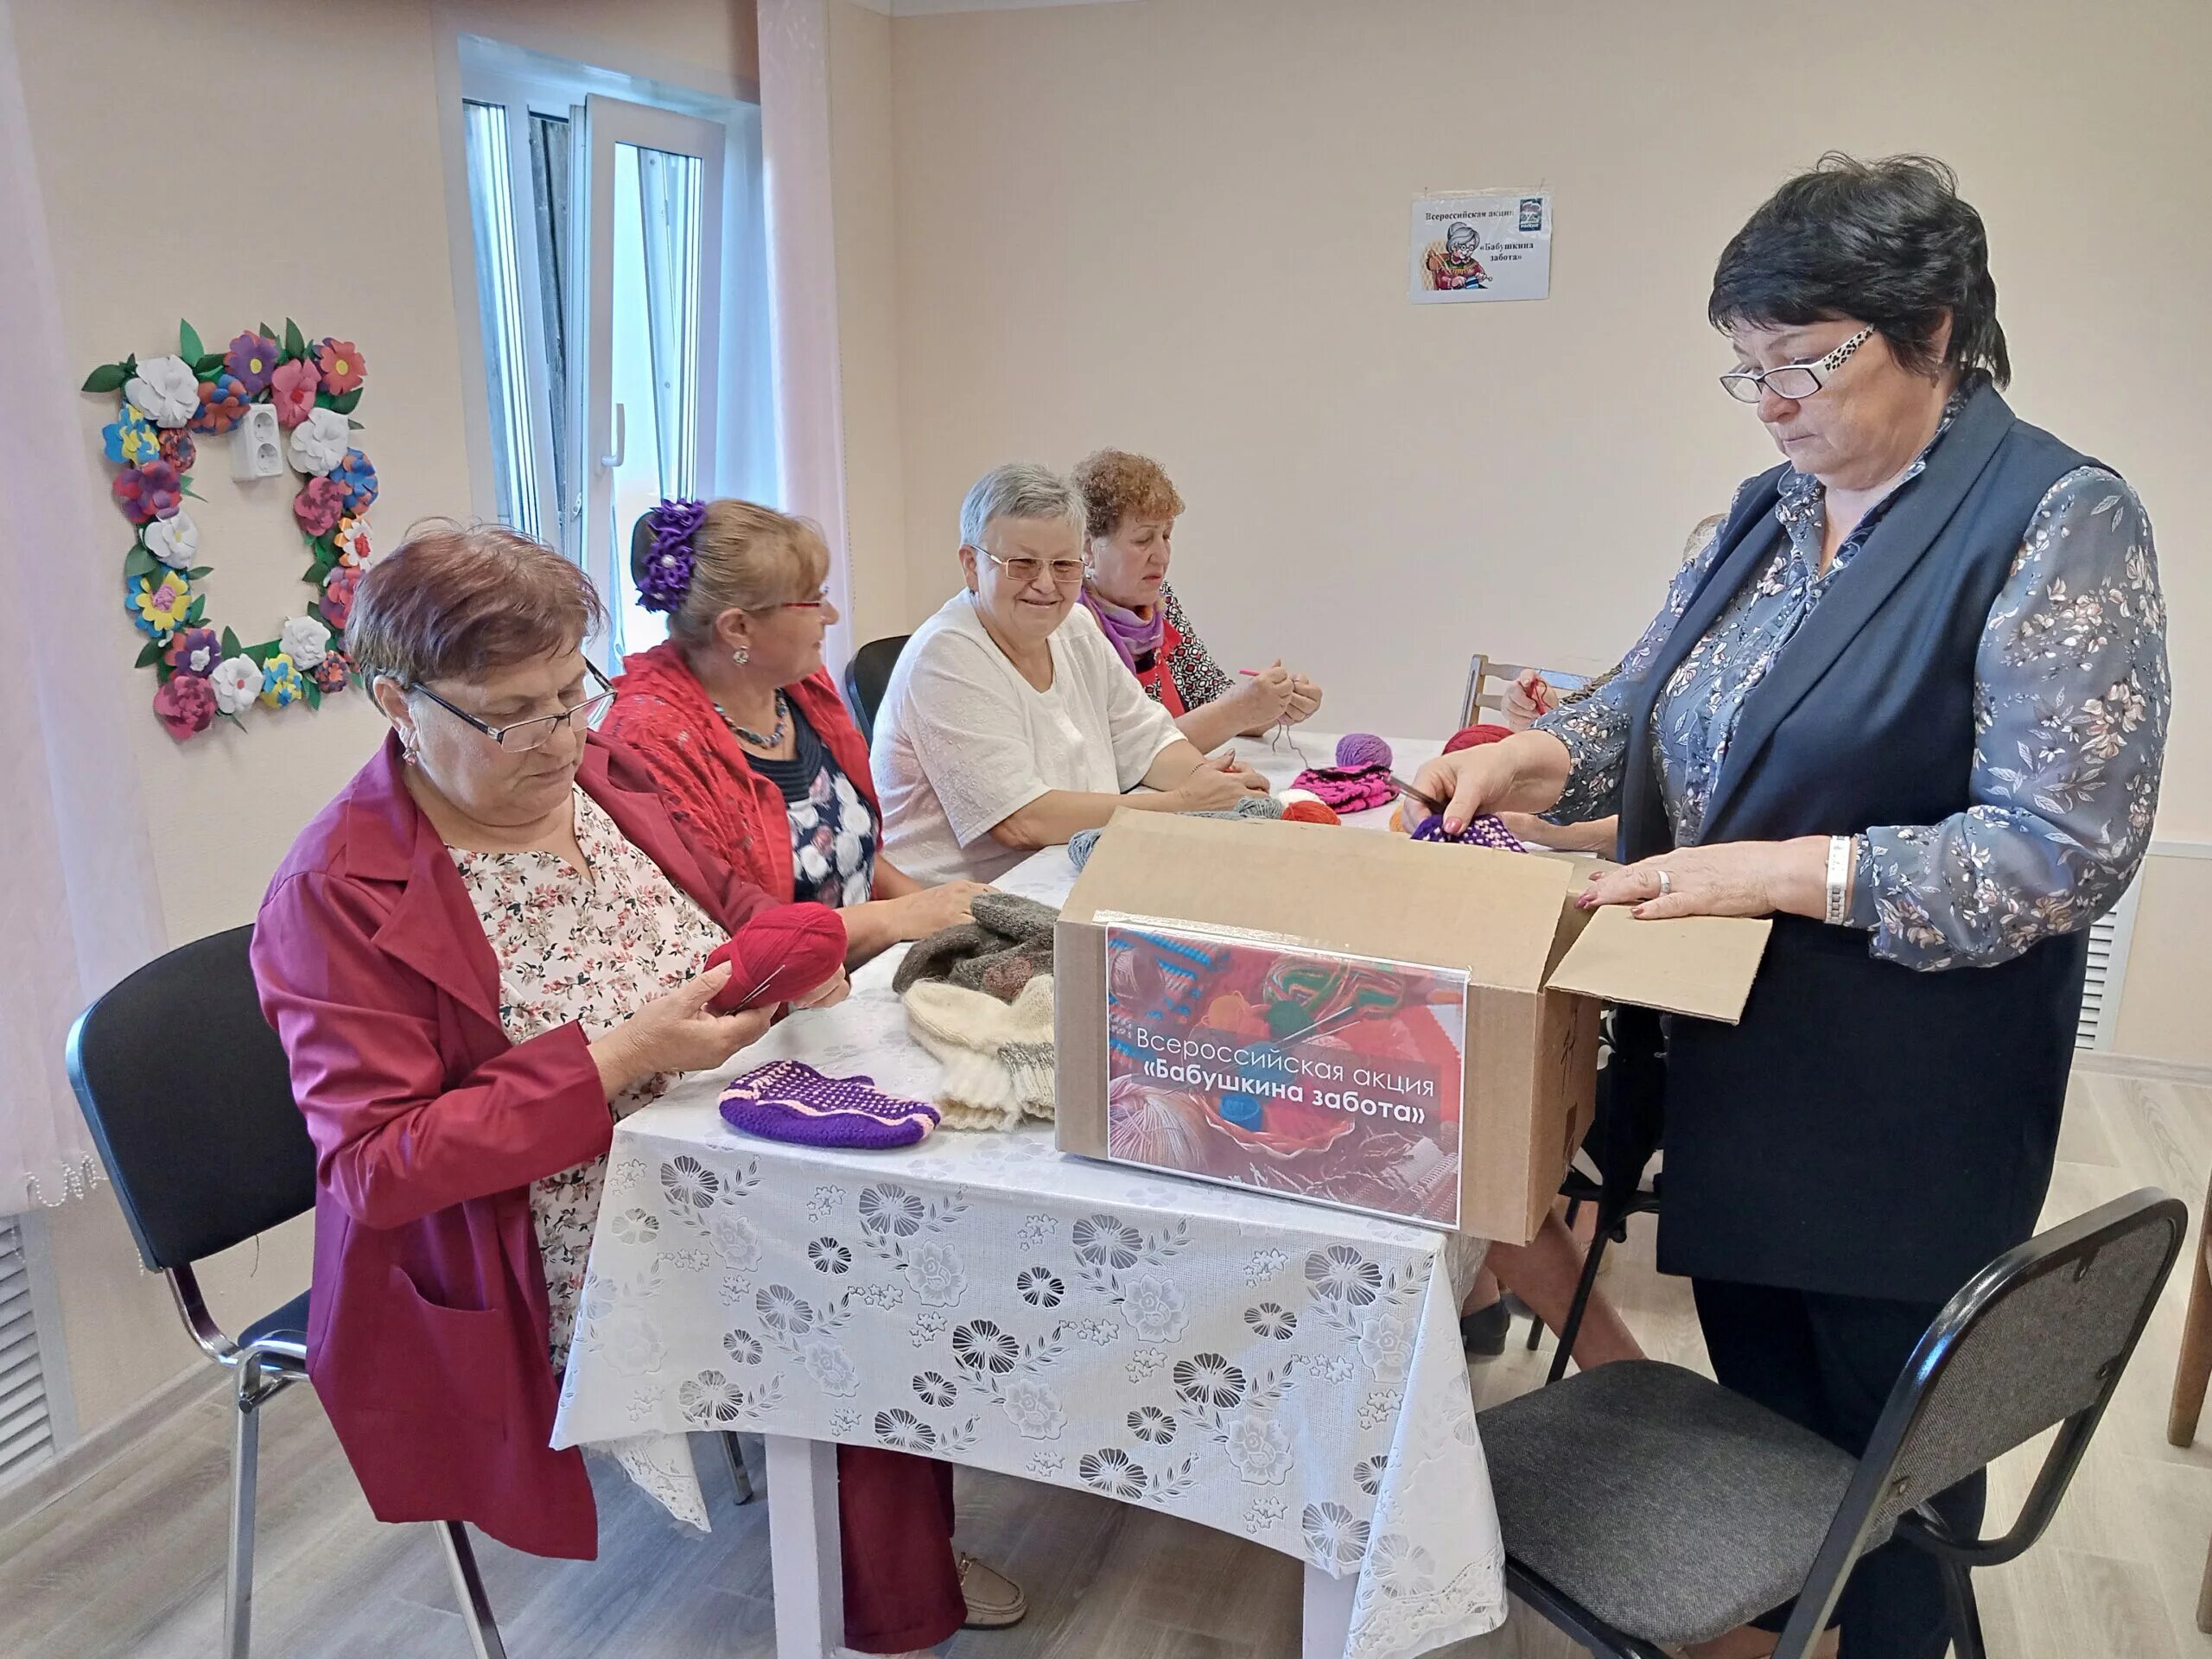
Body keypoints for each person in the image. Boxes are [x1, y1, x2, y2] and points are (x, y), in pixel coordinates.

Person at [1416, 154, 2168, 1659]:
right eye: (1748, 369)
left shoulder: (2053, 520)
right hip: (1740, 1072)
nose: (1772, 402)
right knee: (1764, 1444)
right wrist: (1538, 749)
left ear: (1939, 330)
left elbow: (2058, 852)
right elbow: (1656, 697)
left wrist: (1775, 871)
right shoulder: (1770, 514)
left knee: (1891, 1475)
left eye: (1808, 363)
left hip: (1909, 1102)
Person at [250, 524, 1020, 1659]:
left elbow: (728, 905)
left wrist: (801, 947)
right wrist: (615, 1057)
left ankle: (905, 1532)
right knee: (872, 1267)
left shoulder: (601, 775)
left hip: (712, 1128)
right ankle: (890, 1598)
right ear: (395, 703)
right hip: (539, 1234)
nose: (561, 737)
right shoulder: (337, 896)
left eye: (575, 692)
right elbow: (377, 1168)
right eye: (513, 712)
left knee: (960, 1160)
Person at [603, 497, 986, 964]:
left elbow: (854, 855)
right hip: (779, 1006)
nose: (831, 616)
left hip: (859, 967)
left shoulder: (796, 685)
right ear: (738, 628)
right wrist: (901, 918)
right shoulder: (652, 742)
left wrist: (948, 915)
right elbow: (731, 932)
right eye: (812, 600)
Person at [873, 462, 1268, 884]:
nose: (1046, 584)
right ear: (971, 565)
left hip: (1072, 871)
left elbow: (1149, 742)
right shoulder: (946, 655)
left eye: (1064, 566)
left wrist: (1208, 783)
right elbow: (1022, 822)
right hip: (966, 907)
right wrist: (1185, 803)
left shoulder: (1075, 627)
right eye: (1022, 564)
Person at [1070, 448, 1323, 751]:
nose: (1161, 557)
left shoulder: (1162, 604)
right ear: (1087, 546)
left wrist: (1274, 706)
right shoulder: (1072, 625)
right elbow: (1127, 752)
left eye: (1166, 536)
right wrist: (1240, 708)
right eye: (1142, 540)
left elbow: (1210, 698)